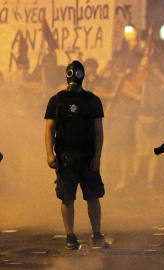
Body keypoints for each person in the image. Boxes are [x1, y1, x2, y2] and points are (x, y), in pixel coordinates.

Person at [44, 60, 110, 250]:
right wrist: (50, 154)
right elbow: (49, 129)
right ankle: (70, 236)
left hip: (88, 158)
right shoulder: (56, 100)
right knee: (67, 198)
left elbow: (99, 131)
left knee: (93, 197)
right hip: (66, 158)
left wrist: (97, 156)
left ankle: (97, 235)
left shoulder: (93, 100)